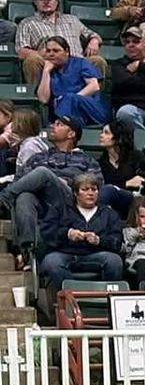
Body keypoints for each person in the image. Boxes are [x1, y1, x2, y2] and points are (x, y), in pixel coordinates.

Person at [0, 115, 96, 271]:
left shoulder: (86, 160)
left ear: (71, 134)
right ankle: (28, 252)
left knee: (43, 173)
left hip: (68, 200)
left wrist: (69, 184)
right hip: (41, 202)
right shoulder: (39, 157)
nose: (52, 126)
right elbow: (20, 181)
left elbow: (95, 185)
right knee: (24, 197)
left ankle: (3, 199)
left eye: (59, 124)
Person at [39, 174, 125, 296]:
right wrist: (68, 234)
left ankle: (104, 300)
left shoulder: (109, 213)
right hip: (65, 253)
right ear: (75, 193)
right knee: (51, 262)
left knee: (114, 261)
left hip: (96, 254)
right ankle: (74, 297)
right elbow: (46, 231)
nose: (90, 193)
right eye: (85, 189)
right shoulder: (60, 209)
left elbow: (117, 240)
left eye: (94, 189)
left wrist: (99, 240)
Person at [15, 0, 106, 89]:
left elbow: (92, 34)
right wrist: (43, 54)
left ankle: (95, 100)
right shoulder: (27, 23)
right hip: (49, 64)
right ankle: (39, 99)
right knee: (32, 60)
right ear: (35, 2)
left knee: (98, 60)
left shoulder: (72, 20)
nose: (46, 1)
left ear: (57, 1)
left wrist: (94, 41)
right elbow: (21, 51)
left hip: (76, 63)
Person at [36, 37, 107, 127]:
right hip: (72, 117)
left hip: (92, 110)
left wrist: (72, 100)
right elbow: (43, 99)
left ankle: (62, 124)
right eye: (48, 51)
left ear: (67, 51)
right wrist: (46, 71)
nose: (51, 54)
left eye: (56, 51)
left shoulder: (80, 63)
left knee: (69, 97)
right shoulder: (49, 71)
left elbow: (94, 86)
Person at [94, 119, 145, 218]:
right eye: (102, 132)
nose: (101, 135)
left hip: (134, 201)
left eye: (106, 133)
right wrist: (126, 184)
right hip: (112, 206)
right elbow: (102, 189)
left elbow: (144, 182)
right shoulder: (100, 163)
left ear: (117, 137)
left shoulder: (135, 157)